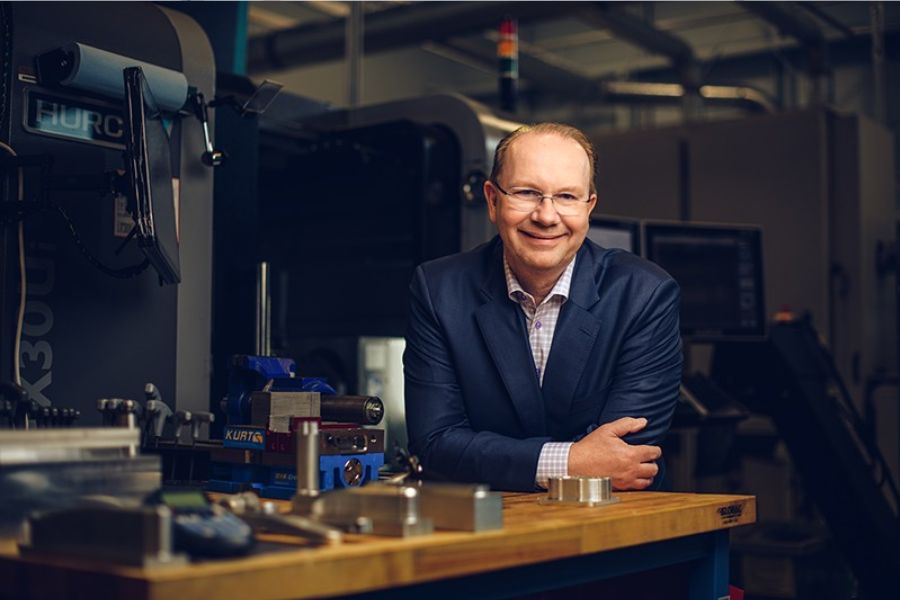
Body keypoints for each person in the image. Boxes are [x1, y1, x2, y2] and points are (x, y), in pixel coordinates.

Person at [403, 123, 682, 492]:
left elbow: (625, 456)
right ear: (492, 200)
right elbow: (434, 445)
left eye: (567, 197)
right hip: (485, 526)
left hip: (614, 528)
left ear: (589, 207)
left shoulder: (645, 294)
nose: (547, 216)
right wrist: (569, 461)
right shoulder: (439, 290)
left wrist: (497, 456)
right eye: (527, 192)